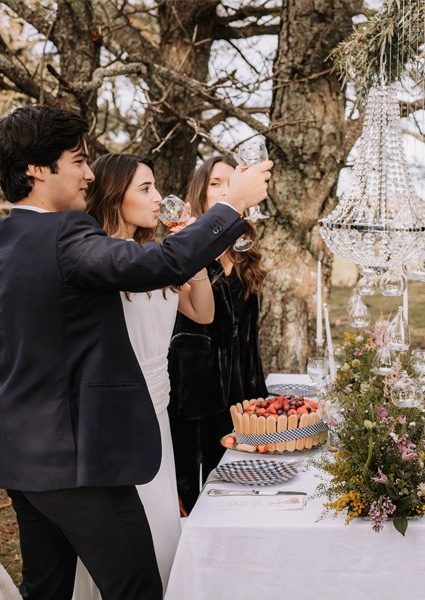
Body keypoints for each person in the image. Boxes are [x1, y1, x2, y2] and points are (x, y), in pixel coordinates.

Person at [0, 105, 271, 600]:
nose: (89, 174)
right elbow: (166, 260)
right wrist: (231, 205)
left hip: (13, 452)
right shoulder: (65, 235)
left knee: (47, 590)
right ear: (36, 169)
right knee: (136, 589)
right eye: (78, 161)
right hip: (76, 458)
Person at [70, 154, 215, 598]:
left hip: (159, 409)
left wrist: (194, 249)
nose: (157, 198)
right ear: (115, 195)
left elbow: (204, 313)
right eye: (145, 189)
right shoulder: (95, 259)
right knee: (125, 533)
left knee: (161, 525)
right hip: (116, 416)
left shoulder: (158, 257)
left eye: (156, 188)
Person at [168, 155, 269, 513]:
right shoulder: (183, 249)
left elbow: (250, 339)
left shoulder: (246, 258)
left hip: (239, 400)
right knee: (195, 501)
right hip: (193, 403)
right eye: (216, 183)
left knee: (242, 496)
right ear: (201, 193)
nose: (226, 189)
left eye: (232, 182)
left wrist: (260, 402)